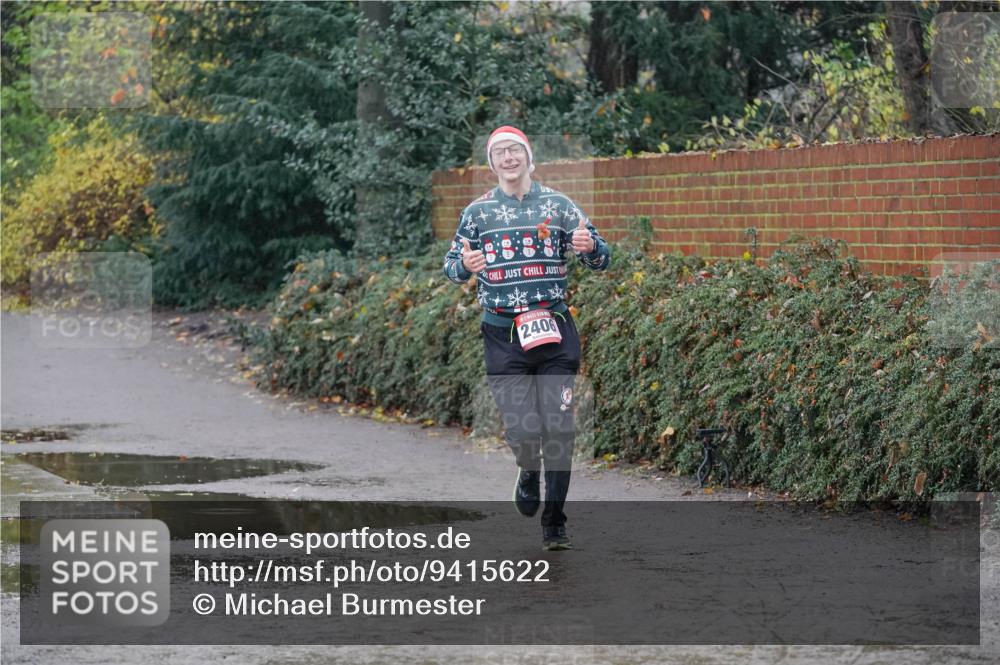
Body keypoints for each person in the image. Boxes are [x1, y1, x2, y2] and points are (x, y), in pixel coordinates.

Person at [442, 125, 611, 551]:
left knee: (558, 429)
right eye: (500, 152)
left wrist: (589, 247)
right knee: (523, 430)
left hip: (553, 332)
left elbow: (602, 256)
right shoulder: (477, 213)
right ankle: (526, 468)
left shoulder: (558, 205)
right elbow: (450, 266)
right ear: (492, 162)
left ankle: (554, 523)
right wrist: (465, 264)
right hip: (502, 334)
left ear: (528, 156)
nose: (508, 158)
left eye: (514, 150)